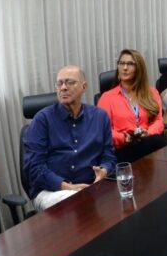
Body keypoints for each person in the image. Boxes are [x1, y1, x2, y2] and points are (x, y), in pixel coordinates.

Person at [23, 65, 116, 211]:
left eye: (70, 82)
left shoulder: (100, 117)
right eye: (59, 83)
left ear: (84, 86)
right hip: (51, 191)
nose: (63, 88)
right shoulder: (42, 120)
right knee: (76, 205)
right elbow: (34, 169)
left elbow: (109, 156)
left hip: (91, 186)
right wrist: (69, 187)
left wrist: (103, 171)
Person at [97, 49, 167, 163]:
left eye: (130, 64)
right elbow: (102, 130)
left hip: (147, 142)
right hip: (122, 149)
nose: (124, 68)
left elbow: (159, 120)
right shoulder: (107, 97)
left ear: (139, 68)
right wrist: (123, 138)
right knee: (159, 143)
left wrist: (148, 133)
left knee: (156, 143)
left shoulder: (151, 92)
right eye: (121, 63)